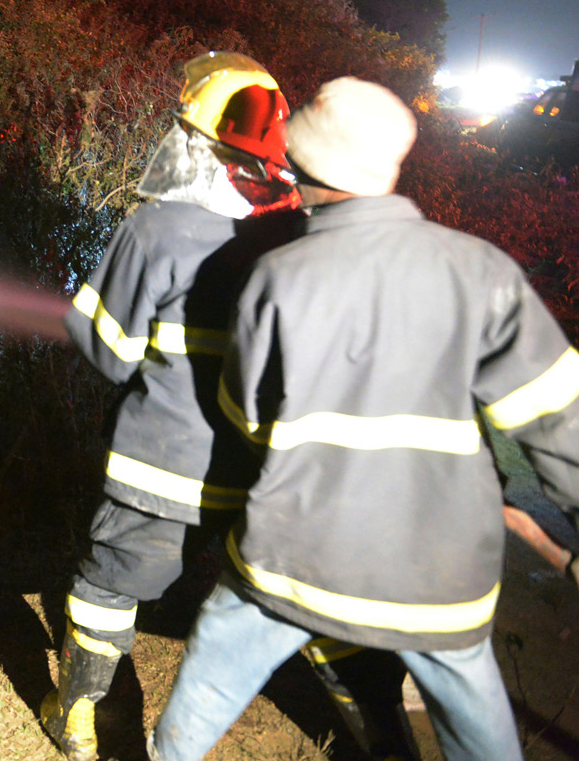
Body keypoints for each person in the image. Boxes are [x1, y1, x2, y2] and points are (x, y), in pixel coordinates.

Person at [147, 77, 579, 761]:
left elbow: (245, 417)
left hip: (297, 558)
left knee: (207, 682)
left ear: (300, 165)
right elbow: (562, 427)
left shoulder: (277, 278)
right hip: (442, 576)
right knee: (478, 725)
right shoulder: (481, 271)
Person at [48, 54, 416, 761]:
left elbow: (108, 352)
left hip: (161, 469)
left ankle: (78, 721)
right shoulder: (296, 234)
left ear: (191, 138)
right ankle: (385, 741)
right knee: (318, 608)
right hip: (273, 476)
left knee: (108, 583)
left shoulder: (153, 230)